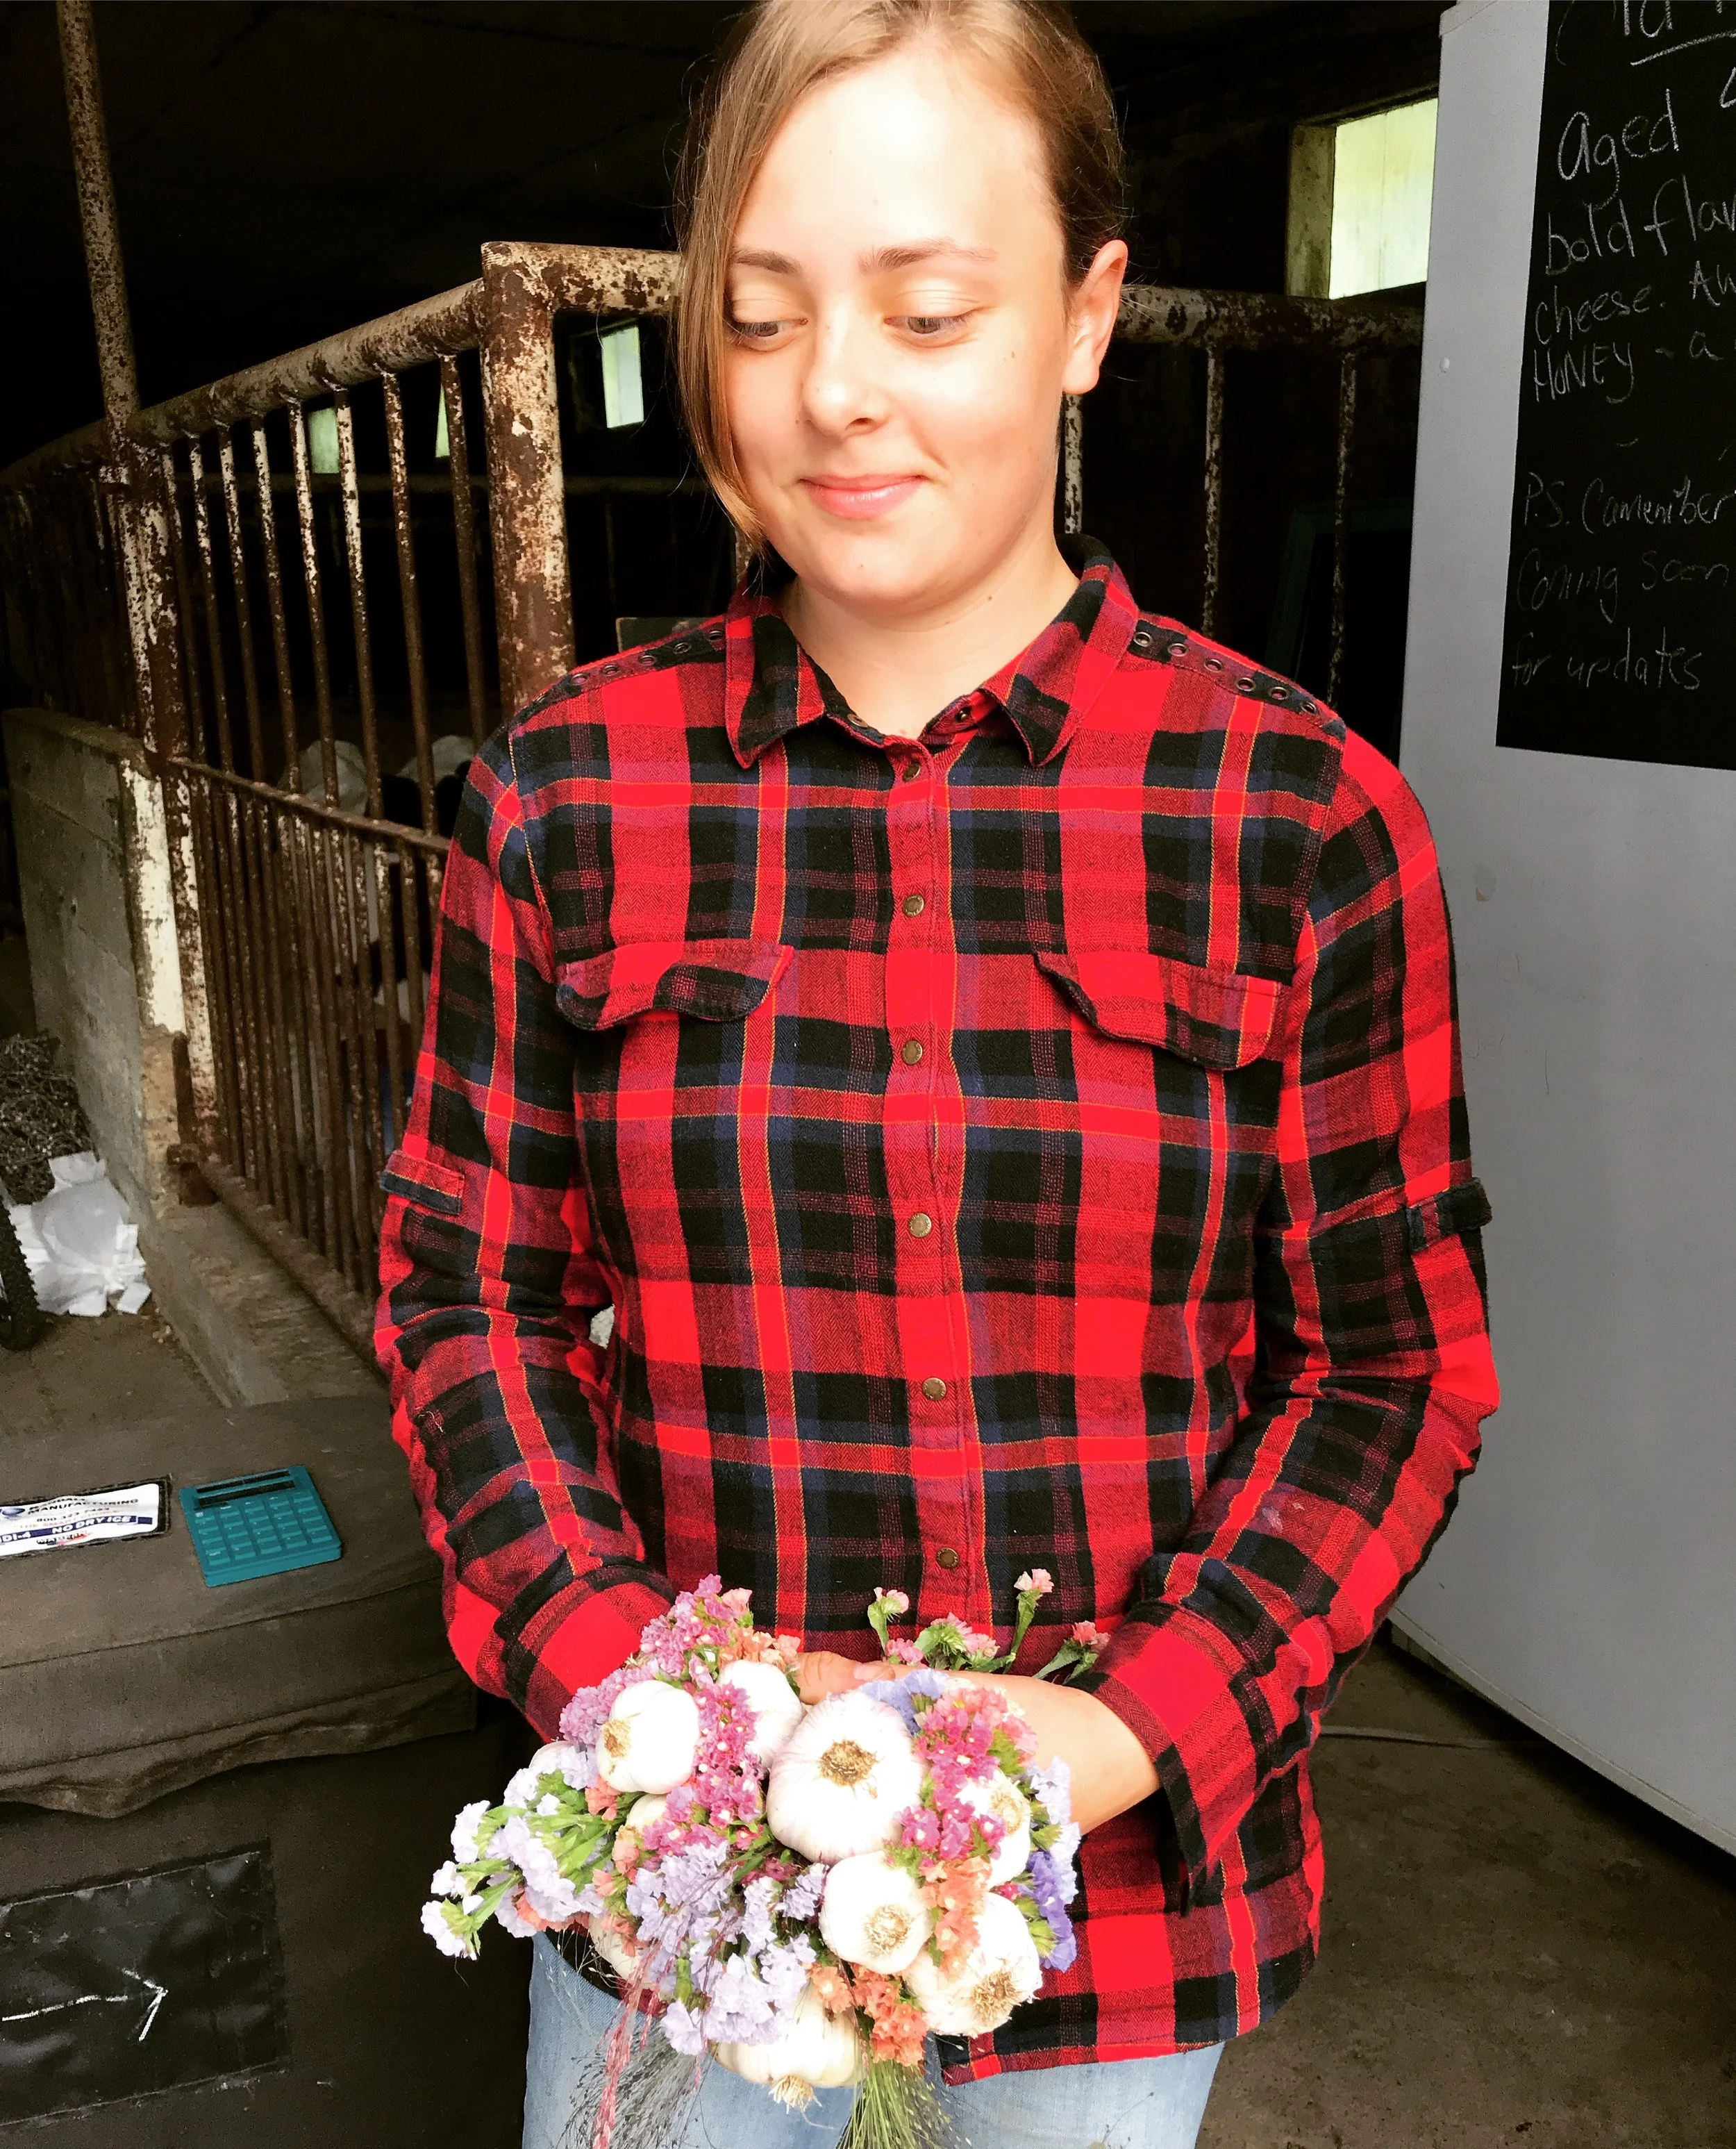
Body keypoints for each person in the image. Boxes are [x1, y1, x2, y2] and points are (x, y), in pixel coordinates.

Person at [375, 3, 1499, 2144]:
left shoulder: (1294, 819)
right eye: (763, 314)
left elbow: (1388, 1369)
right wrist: (644, 1681)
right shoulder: (563, 794)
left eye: (926, 306)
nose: (835, 393)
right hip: (679, 1887)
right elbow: (466, 1296)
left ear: (1084, 314)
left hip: (1114, 1914)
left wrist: (1117, 1733)